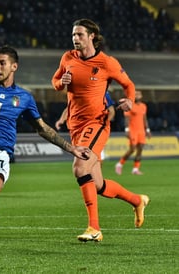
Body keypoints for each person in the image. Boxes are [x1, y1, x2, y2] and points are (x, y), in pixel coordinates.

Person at [0, 45, 91, 255]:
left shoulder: (24, 97)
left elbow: (41, 128)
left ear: (14, 66)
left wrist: (71, 148)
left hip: (0, 153)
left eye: (2, 63)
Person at [51, 18, 150, 242]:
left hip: (96, 122)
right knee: (96, 184)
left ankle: (94, 228)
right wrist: (61, 83)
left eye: (80, 35)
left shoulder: (107, 63)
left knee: (80, 166)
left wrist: (131, 101)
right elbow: (56, 80)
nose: (75, 39)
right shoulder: (68, 57)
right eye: (73, 35)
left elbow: (129, 85)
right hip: (75, 125)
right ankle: (137, 200)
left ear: (92, 36)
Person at [115, 90, 151, 175]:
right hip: (133, 131)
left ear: (141, 96)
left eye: (139, 94)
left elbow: (144, 119)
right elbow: (127, 119)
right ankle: (120, 164)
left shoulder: (143, 106)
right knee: (132, 149)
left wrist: (147, 129)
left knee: (140, 149)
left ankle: (135, 169)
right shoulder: (129, 105)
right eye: (136, 94)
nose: (138, 95)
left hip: (141, 131)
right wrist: (127, 130)